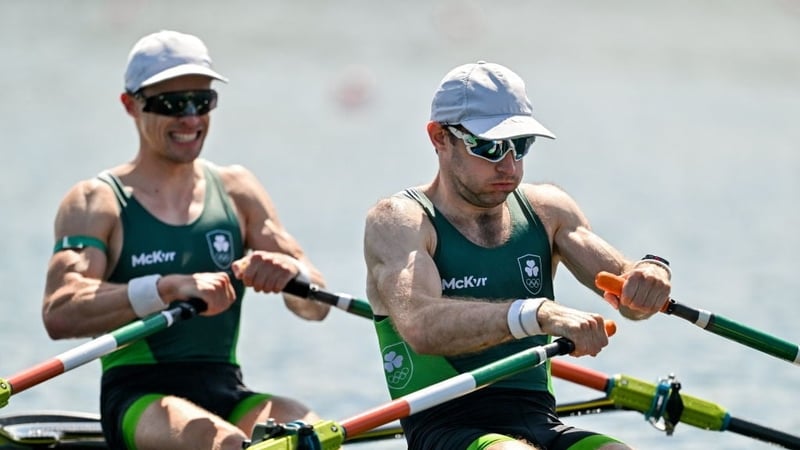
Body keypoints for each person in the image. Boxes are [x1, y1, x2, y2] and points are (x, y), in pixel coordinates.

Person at [42, 30, 331, 450]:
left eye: (202, 101)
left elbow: (314, 308)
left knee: (313, 433)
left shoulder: (237, 190)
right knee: (219, 442)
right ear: (130, 105)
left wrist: (293, 275)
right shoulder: (96, 200)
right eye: (172, 105)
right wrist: (167, 288)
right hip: (137, 397)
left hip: (226, 392)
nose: (191, 118)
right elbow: (60, 311)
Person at [363, 61, 672, 450]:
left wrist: (649, 274)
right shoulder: (399, 221)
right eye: (488, 146)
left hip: (540, 419)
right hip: (445, 428)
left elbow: (630, 300)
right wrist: (537, 314)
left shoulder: (549, 211)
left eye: (520, 145)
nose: (509, 166)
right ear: (439, 137)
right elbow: (421, 326)